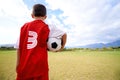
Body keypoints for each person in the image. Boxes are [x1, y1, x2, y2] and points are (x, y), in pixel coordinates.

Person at [15, 4, 67, 80]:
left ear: (32, 15)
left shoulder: (24, 27)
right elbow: (64, 34)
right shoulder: (47, 26)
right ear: (45, 17)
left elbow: (18, 47)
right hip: (40, 68)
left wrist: (18, 64)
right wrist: (61, 48)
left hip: (24, 68)